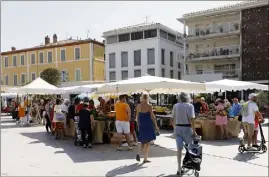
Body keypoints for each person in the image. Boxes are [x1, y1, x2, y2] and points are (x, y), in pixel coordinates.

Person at [171, 92, 197, 176]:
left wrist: (175, 127)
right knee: (189, 148)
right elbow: (192, 119)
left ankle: (179, 167)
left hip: (178, 128)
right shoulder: (190, 106)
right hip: (187, 128)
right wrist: (194, 131)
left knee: (179, 149)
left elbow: (172, 119)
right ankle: (188, 164)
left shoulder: (176, 106)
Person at [135, 93, 158, 163]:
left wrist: (138, 126)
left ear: (142, 98)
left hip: (141, 125)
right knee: (147, 142)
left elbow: (137, 118)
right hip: (148, 124)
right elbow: (153, 117)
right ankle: (145, 159)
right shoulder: (149, 106)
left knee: (143, 140)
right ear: (148, 98)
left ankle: (139, 153)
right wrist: (156, 126)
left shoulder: (138, 106)